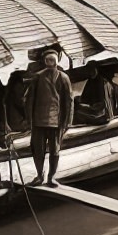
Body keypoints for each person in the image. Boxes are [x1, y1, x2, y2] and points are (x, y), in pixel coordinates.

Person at [25, 49, 74, 187]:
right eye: (47, 60)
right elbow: (30, 99)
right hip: (38, 121)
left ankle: (51, 177)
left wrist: (68, 122)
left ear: (57, 62)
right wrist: (29, 119)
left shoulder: (64, 78)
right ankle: (39, 175)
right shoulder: (37, 77)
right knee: (37, 150)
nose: (50, 63)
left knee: (55, 150)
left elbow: (69, 101)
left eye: (52, 60)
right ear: (44, 62)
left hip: (56, 122)